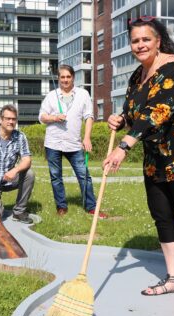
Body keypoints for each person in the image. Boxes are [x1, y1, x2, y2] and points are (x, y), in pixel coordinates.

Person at [103, 16, 174, 296]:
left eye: (146, 39)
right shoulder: (138, 75)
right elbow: (135, 111)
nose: (140, 45)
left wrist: (123, 147)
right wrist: (120, 119)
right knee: (162, 215)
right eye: (135, 40)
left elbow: (158, 111)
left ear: (158, 41)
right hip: (156, 158)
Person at [39, 64, 107, 218]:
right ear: (58, 78)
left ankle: (91, 207)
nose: (65, 80)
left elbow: (89, 117)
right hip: (53, 142)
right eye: (62, 77)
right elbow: (42, 117)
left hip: (74, 143)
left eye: (68, 77)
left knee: (84, 175)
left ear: (73, 78)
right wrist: (54, 117)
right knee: (56, 177)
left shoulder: (83, 94)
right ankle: (61, 207)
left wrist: (87, 137)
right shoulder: (51, 96)